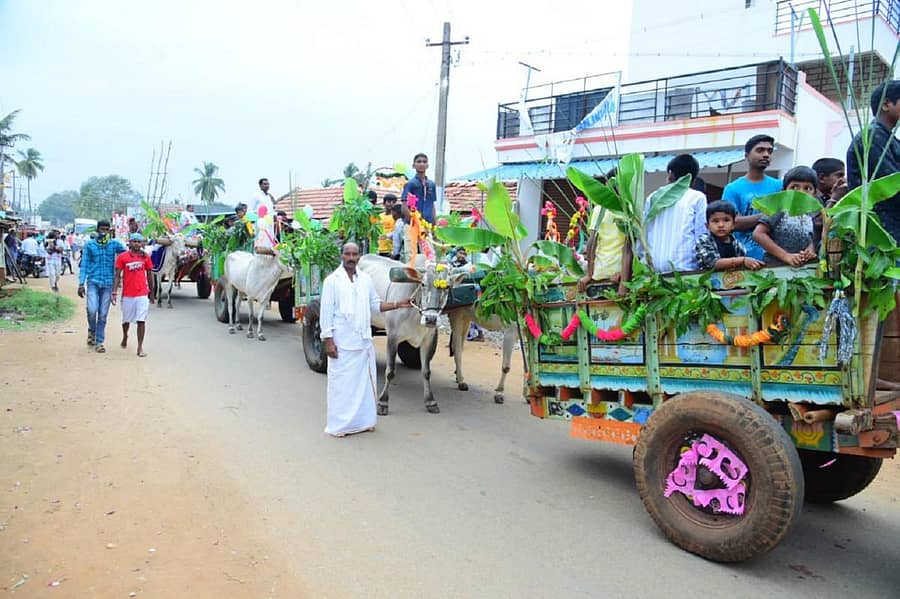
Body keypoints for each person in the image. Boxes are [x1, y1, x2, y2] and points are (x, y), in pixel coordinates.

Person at [319, 242, 412, 437]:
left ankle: (363, 422)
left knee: (362, 385)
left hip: (362, 341)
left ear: (359, 257)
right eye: (347, 254)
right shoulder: (332, 281)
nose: (351, 258)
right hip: (342, 342)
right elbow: (326, 312)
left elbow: (375, 305)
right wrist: (328, 340)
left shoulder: (366, 279)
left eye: (355, 254)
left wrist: (398, 304)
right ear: (342, 256)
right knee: (341, 385)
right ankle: (340, 426)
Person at [847, 80, 900, 244]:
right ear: (886, 105)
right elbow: (889, 186)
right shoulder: (873, 136)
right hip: (882, 229)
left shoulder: (888, 138)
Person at [643, 153, 708, 273]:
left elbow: (644, 232)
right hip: (685, 268)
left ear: (670, 174)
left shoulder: (652, 197)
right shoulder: (697, 197)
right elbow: (701, 235)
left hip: (652, 269)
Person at [722, 135, 783, 260]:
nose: (766, 154)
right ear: (747, 156)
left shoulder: (780, 186)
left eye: (769, 151)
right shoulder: (732, 188)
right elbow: (734, 222)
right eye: (760, 150)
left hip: (775, 257)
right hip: (743, 258)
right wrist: (770, 216)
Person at [752, 166, 817, 267]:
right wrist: (785, 256)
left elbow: (810, 237)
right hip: (774, 269)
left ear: (814, 193)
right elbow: (758, 234)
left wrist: (810, 249)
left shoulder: (810, 214)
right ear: (784, 191)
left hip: (800, 270)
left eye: (807, 188)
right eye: (794, 187)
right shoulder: (780, 210)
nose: (801, 192)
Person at [78, 220, 126, 353]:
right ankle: (91, 330)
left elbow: (127, 254)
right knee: (92, 310)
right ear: (98, 230)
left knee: (103, 314)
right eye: (102, 229)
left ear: (109, 231)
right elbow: (84, 265)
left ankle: (99, 342)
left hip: (108, 283)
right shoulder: (89, 245)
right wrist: (81, 283)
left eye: (106, 229)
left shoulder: (114, 244)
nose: (104, 232)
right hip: (93, 281)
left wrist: (141, 252)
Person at [113, 233, 155, 358]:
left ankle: (140, 347)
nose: (136, 243)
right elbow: (117, 276)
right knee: (126, 320)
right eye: (134, 241)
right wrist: (114, 292)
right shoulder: (122, 257)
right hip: (127, 295)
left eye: (139, 241)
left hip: (142, 294)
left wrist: (152, 292)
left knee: (141, 320)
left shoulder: (145, 257)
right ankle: (125, 335)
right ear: (129, 243)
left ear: (142, 243)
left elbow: (149, 275)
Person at [695, 201, 764, 271]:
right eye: (715, 221)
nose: (721, 225)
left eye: (726, 220)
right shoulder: (704, 240)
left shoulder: (736, 243)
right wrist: (742, 260)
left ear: (733, 225)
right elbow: (713, 263)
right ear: (707, 226)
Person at [811, 157, 847, 246]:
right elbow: (817, 223)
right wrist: (834, 199)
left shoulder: (830, 196)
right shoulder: (811, 197)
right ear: (822, 178)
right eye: (839, 175)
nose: (843, 180)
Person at [401, 153, 437, 225]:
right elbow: (404, 205)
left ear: (427, 165)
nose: (422, 164)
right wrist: (412, 220)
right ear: (413, 165)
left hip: (427, 224)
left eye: (424, 162)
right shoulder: (410, 184)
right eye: (419, 162)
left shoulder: (431, 184)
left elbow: (432, 205)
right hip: (414, 224)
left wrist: (434, 223)